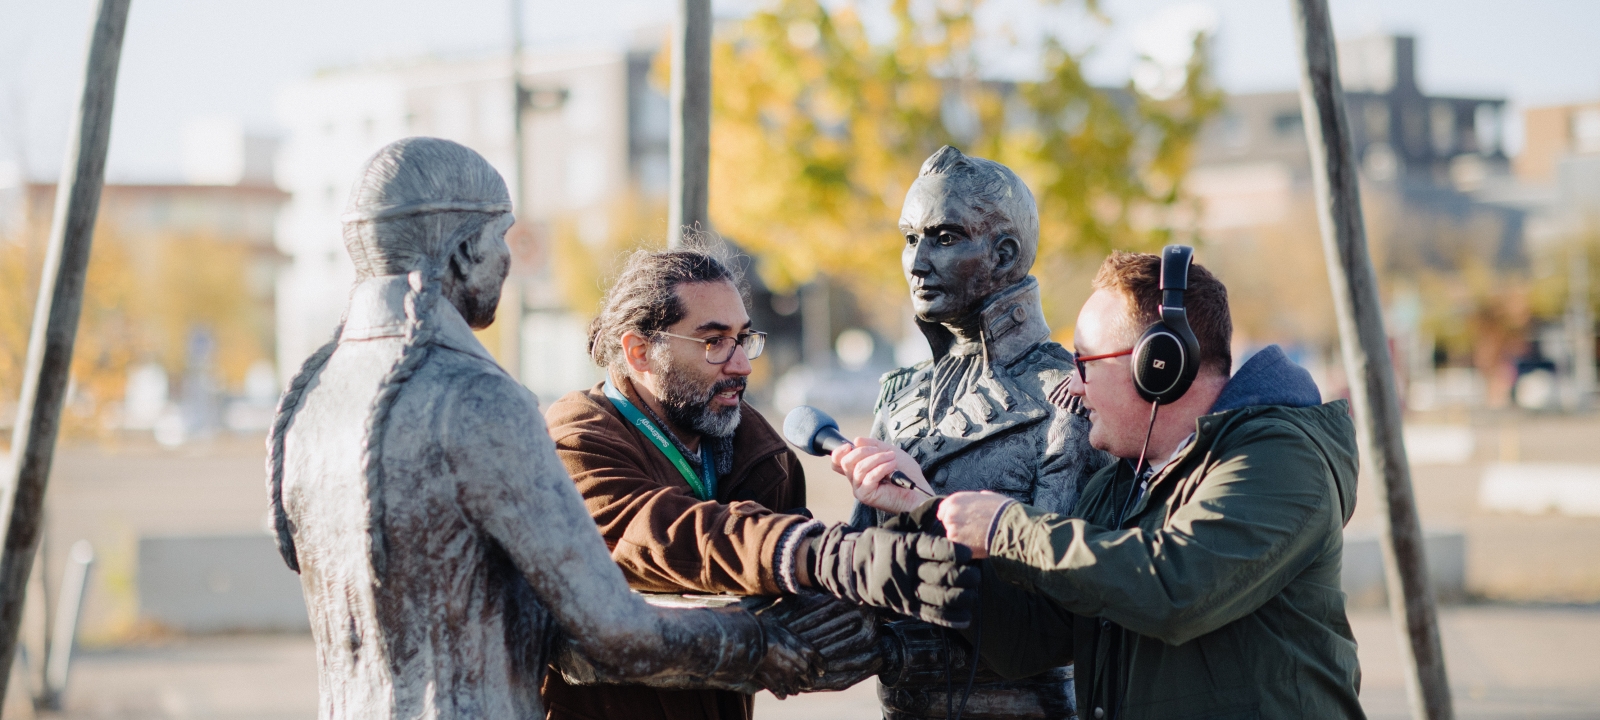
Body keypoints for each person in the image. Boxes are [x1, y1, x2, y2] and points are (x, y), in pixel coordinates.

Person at [267, 138, 826, 718]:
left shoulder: (307, 400)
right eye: (500, 239)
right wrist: (753, 642)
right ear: (462, 253)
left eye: (742, 339)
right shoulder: (483, 400)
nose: (508, 261)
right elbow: (612, 628)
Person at [838, 248, 1365, 719]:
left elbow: (1175, 587)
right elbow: (1034, 638)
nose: (1072, 383)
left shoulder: (1281, 458)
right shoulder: (1118, 485)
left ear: (1160, 367)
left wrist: (1005, 528)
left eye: (1086, 361)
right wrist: (926, 509)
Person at [541, 245, 974, 720]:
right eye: (714, 342)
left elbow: (817, 594)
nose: (742, 365)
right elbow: (658, 532)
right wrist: (824, 554)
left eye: (743, 338)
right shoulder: (574, 437)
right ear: (639, 352)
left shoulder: (753, 447)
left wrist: (901, 517)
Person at [848, 145, 1107, 719]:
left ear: (1004, 252)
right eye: (909, 238)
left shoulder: (1064, 394)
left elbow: (1057, 616)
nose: (916, 263)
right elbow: (860, 568)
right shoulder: (898, 393)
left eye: (942, 238)